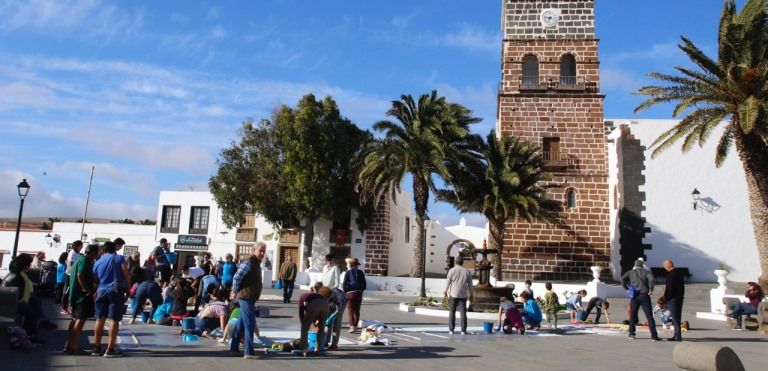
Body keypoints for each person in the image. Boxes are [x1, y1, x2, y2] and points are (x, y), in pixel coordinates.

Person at [2, 254, 56, 344]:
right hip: (8, 303)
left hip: (10, 300)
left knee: (35, 300)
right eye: (29, 265)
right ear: (25, 266)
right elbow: (18, 296)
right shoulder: (17, 277)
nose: (30, 267)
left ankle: (41, 321)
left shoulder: (19, 274)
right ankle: (31, 335)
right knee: (31, 311)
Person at [92, 241, 130, 357]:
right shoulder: (119, 258)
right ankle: (110, 349)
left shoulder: (98, 262)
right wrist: (129, 287)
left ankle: (97, 347)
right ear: (115, 249)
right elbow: (126, 272)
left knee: (100, 319)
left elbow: (95, 277)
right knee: (114, 320)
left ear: (103, 250)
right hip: (115, 290)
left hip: (101, 291)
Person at [229, 241, 266, 360]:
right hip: (246, 297)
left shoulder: (255, 263)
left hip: (250, 297)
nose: (262, 253)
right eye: (260, 250)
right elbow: (237, 277)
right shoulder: (249, 262)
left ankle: (234, 348)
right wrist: (234, 290)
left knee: (241, 323)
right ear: (253, 250)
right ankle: (249, 351)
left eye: (263, 251)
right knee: (249, 323)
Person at [64, 244, 98, 355]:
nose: (96, 256)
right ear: (92, 253)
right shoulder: (84, 261)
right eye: (96, 254)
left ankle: (69, 344)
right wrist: (86, 289)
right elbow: (80, 274)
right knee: (80, 320)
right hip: (81, 296)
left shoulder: (80, 259)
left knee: (74, 320)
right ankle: (74, 346)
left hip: (75, 295)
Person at [622, 258, 660, 341]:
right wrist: (651, 288)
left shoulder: (630, 272)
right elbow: (652, 279)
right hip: (644, 295)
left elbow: (622, 279)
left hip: (634, 295)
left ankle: (631, 333)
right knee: (649, 316)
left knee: (633, 314)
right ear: (642, 265)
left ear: (635, 265)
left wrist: (627, 288)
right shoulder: (646, 272)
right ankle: (654, 335)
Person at [298, 286, 332, 356]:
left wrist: (303, 323)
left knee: (304, 328)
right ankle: (318, 349)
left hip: (314, 304)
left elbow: (301, 312)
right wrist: (316, 324)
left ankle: (304, 349)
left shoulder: (302, 297)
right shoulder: (318, 295)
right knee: (321, 328)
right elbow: (316, 318)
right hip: (326, 305)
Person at [443, 255, 473, 335]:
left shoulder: (452, 271)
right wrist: (471, 294)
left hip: (453, 294)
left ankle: (451, 329)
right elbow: (470, 284)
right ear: (462, 262)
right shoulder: (467, 271)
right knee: (463, 313)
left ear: (455, 262)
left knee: (452, 312)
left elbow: (448, 282)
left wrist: (445, 291)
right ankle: (463, 330)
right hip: (463, 295)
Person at [662, 259, 685, 341]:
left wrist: (665, 299)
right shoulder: (679, 273)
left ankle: (678, 335)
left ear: (668, 266)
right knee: (677, 317)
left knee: (675, 318)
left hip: (673, 299)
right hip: (679, 298)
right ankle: (676, 334)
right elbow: (682, 287)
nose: (664, 268)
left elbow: (669, 289)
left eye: (664, 266)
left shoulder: (670, 276)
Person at [342, 257, 366, 333]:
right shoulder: (361, 272)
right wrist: (361, 290)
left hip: (350, 293)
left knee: (350, 310)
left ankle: (352, 325)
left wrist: (346, 291)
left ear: (351, 265)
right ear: (357, 265)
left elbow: (344, 283)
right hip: (359, 293)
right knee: (357, 310)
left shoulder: (348, 272)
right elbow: (364, 284)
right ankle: (355, 325)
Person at [62, 240, 84, 315]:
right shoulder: (72, 253)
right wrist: (73, 272)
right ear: (77, 246)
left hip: (74, 275)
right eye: (81, 246)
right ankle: (64, 308)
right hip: (69, 275)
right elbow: (70, 264)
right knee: (67, 292)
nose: (81, 247)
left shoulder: (78, 254)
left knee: (73, 291)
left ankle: (71, 307)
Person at [324, 284, 347, 350]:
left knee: (336, 323)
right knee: (328, 324)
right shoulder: (324, 294)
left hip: (341, 304)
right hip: (331, 303)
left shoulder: (339, 298)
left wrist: (331, 318)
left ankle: (334, 344)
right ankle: (325, 342)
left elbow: (338, 310)